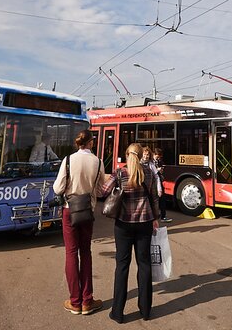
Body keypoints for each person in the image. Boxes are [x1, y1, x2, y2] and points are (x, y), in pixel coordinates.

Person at [100, 143, 160, 323]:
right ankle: (146, 310)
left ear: (127, 155)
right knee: (144, 264)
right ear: (141, 156)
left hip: (123, 225)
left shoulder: (120, 173)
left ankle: (117, 312)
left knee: (122, 266)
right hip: (145, 223)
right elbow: (154, 198)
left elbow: (103, 191)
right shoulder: (149, 173)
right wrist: (156, 217)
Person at [52, 130, 105, 316]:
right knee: (86, 252)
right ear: (91, 143)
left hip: (69, 210)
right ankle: (87, 301)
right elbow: (100, 191)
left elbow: (58, 188)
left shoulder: (68, 160)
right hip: (87, 211)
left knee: (71, 253)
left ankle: (75, 302)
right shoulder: (98, 162)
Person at [153, 148, 172, 222]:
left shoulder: (159, 161)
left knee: (162, 199)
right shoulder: (150, 162)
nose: (158, 158)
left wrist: (161, 170)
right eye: (157, 156)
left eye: (159, 157)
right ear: (154, 154)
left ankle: (163, 216)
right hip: (153, 183)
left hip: (159, 181)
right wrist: (157, 170)